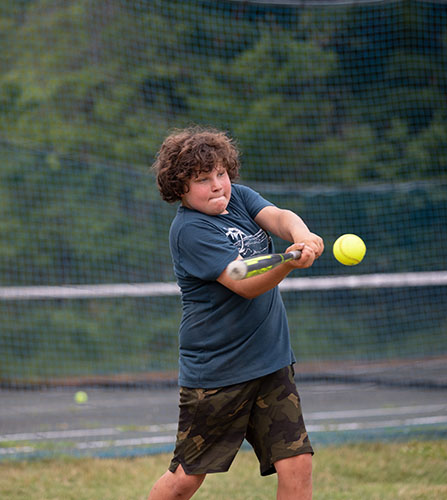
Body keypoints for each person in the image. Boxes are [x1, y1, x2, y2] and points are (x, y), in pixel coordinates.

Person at [148, 126, 324, 500]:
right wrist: (288, 265)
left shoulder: (240, 199)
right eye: (202, 179)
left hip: (270, 362)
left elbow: (278, 216)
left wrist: (301, 235)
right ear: (180, 188)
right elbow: (245, 285)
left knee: (298, 463)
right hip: (218, 373)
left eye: (221, 174)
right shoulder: (190, 230)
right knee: (185, 480)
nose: (217, 185)